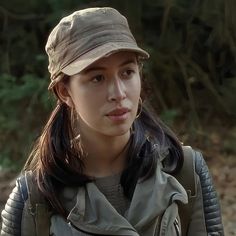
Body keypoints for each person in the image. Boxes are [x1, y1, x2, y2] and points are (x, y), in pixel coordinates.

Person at [1, 7, 224, 236]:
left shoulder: (184, 171)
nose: (118, 93)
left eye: (127, 72)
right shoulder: (36, 199)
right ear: (64, 92)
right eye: (97, 78)